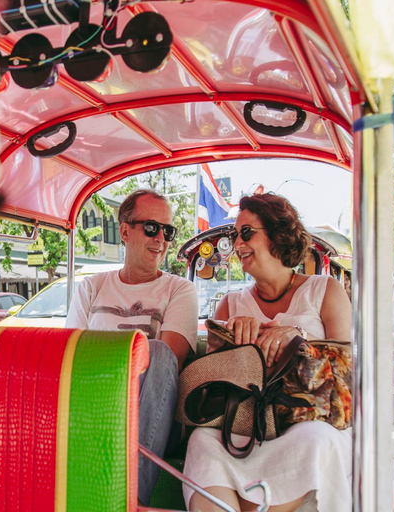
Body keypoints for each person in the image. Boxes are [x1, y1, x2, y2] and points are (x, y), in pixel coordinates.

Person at [183, 193, 352, 512]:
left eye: (246, 232)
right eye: (234, 236)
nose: (237, 244)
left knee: (315, 439)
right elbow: (212, 381)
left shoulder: (324, 291)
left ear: (278, 234)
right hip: (248, 425)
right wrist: (228, 346)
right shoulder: (231, 304)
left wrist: (298, 338)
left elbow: (348, 371)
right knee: (202, 442)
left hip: (308, 422)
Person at [65, 189, 198, 506]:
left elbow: (168, 364)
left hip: (145, 410)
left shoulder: (179, 290)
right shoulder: (92, 287)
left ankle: (126, 496)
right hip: (90, 401)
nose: (161, 239)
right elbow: (69, 355)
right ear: (124, 231)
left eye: (168, 231)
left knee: (159, 352)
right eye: (152, 228)